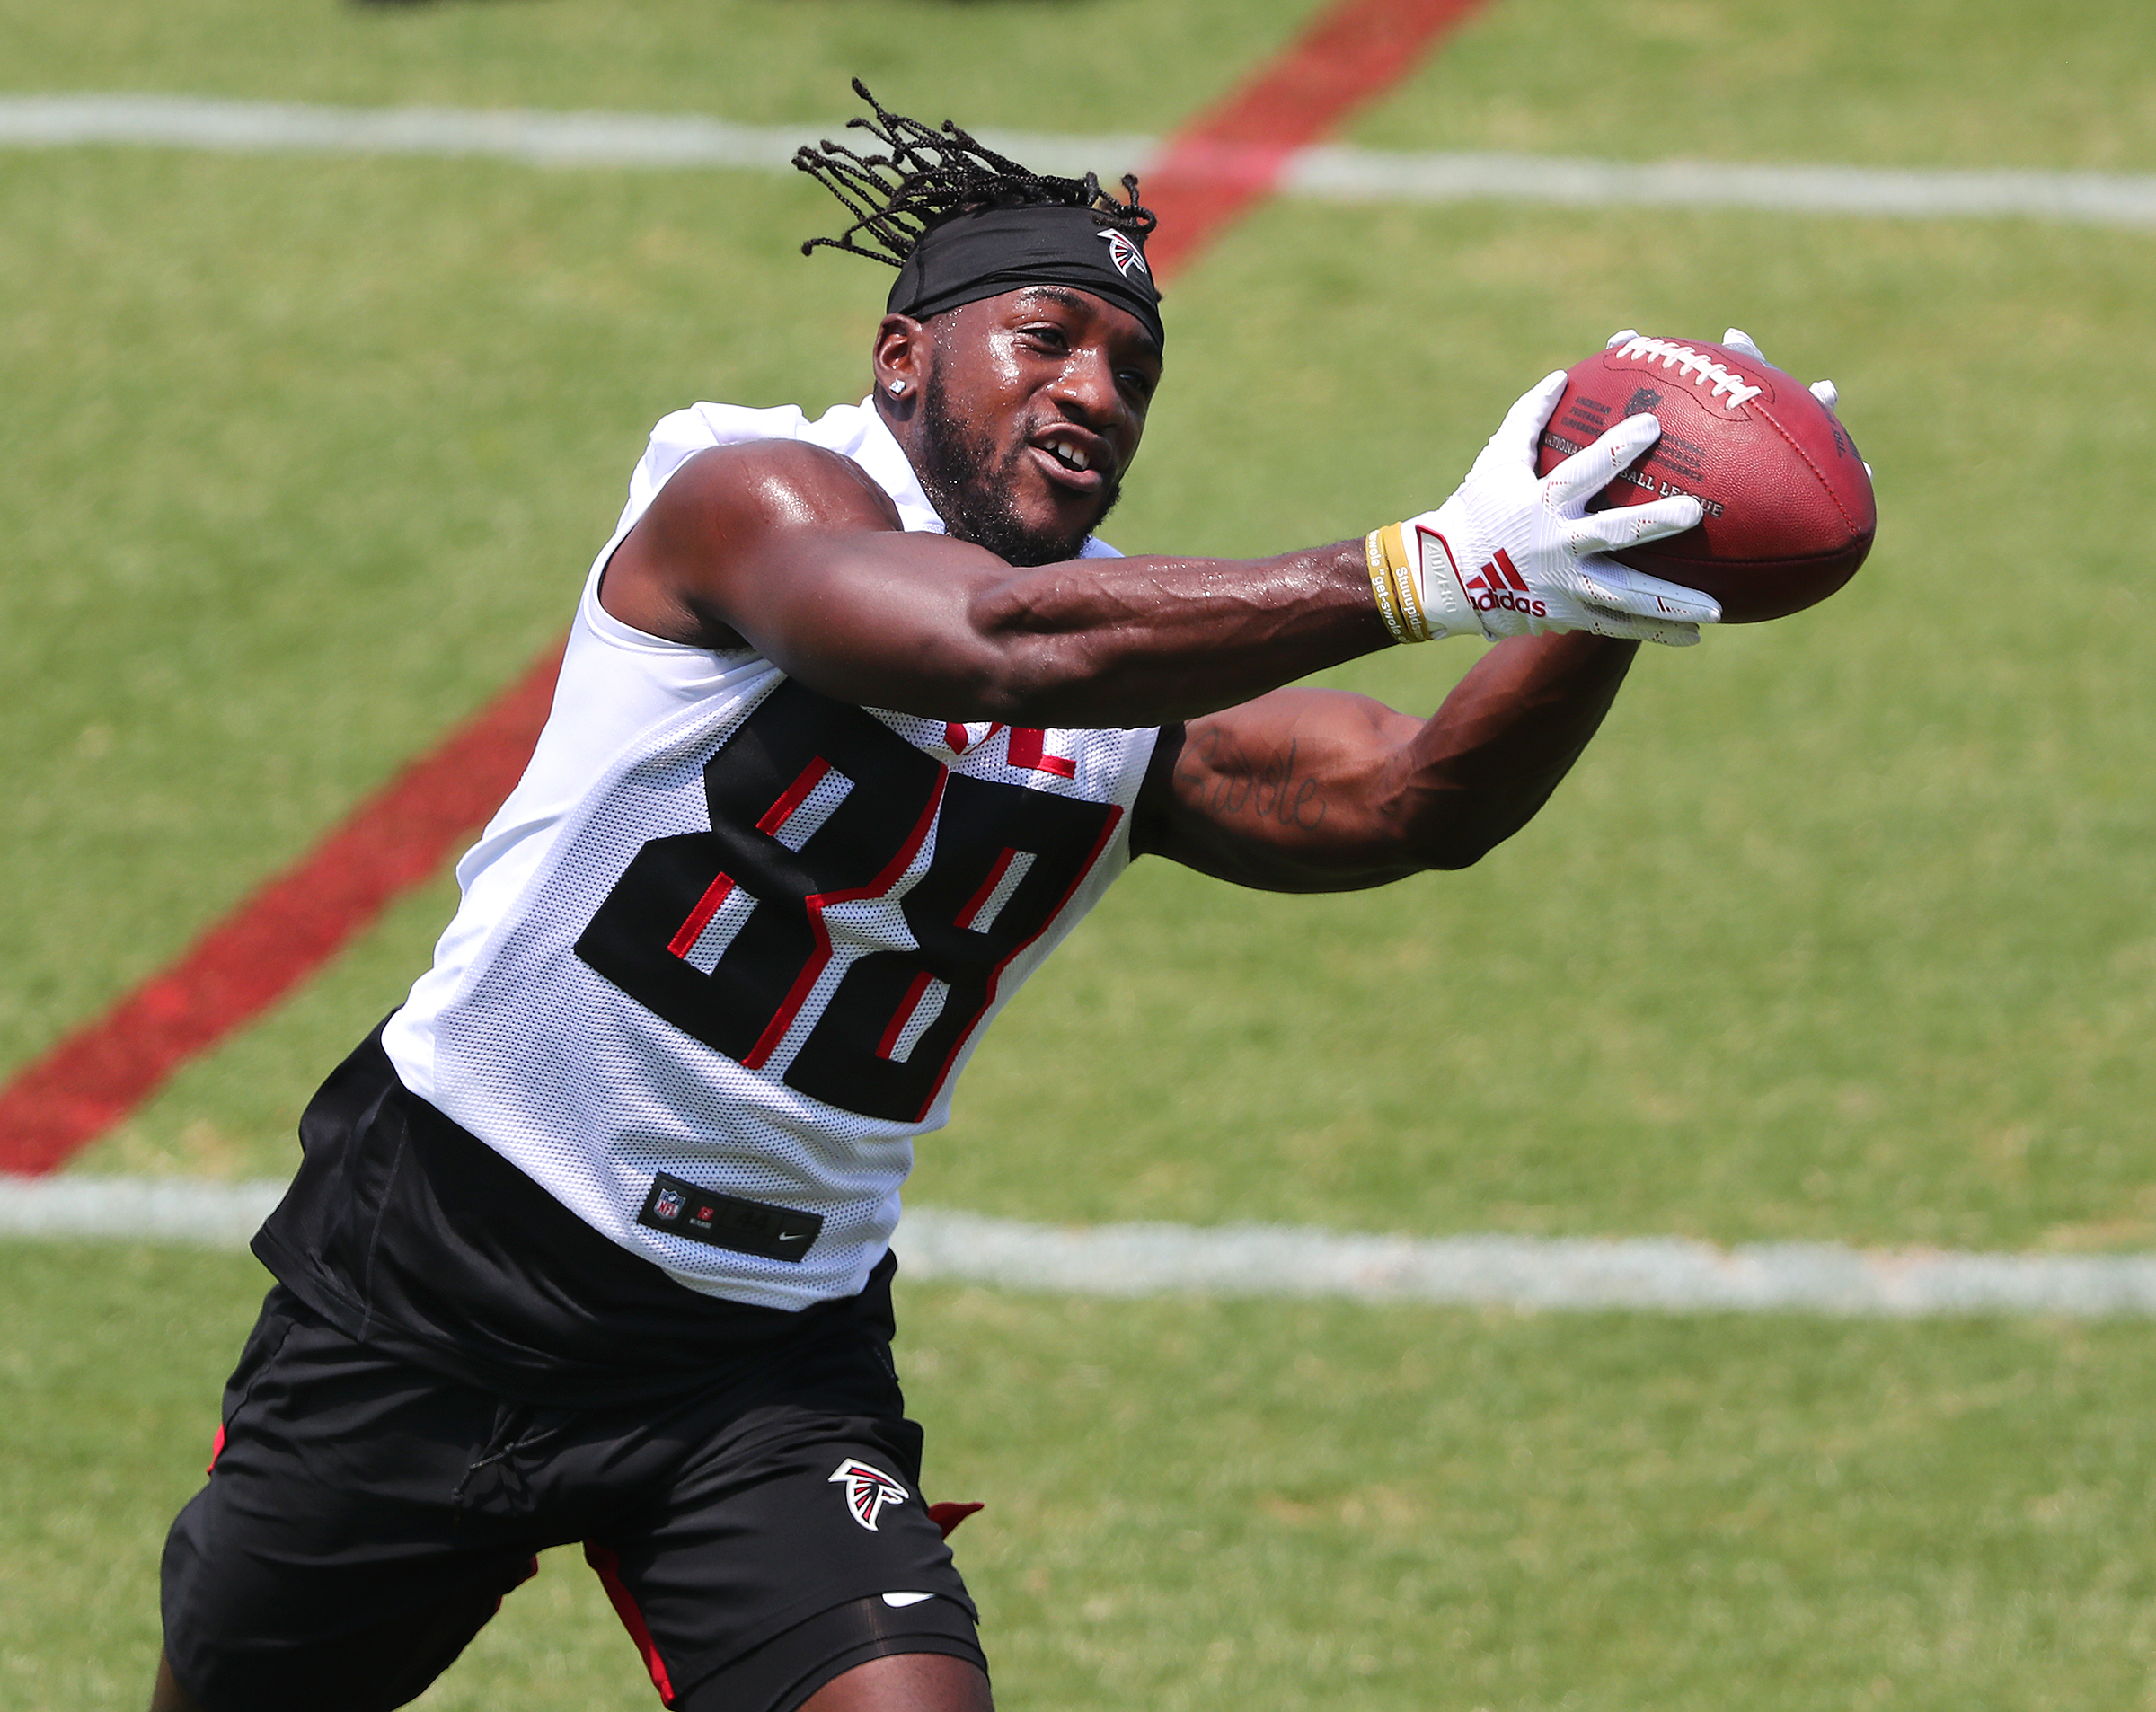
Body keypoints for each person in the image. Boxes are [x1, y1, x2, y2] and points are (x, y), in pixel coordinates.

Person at [150, 82, 1756, 1712]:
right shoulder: (748, 492)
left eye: (1134, 370)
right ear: (900, 358)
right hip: (443, 1268)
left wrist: (1606, 571)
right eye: (1048, 338)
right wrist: (1420, 570)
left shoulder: (1138, 653)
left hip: (765, 1348)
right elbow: (974, 640)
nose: (1096, 391)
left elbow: (1416, 800)